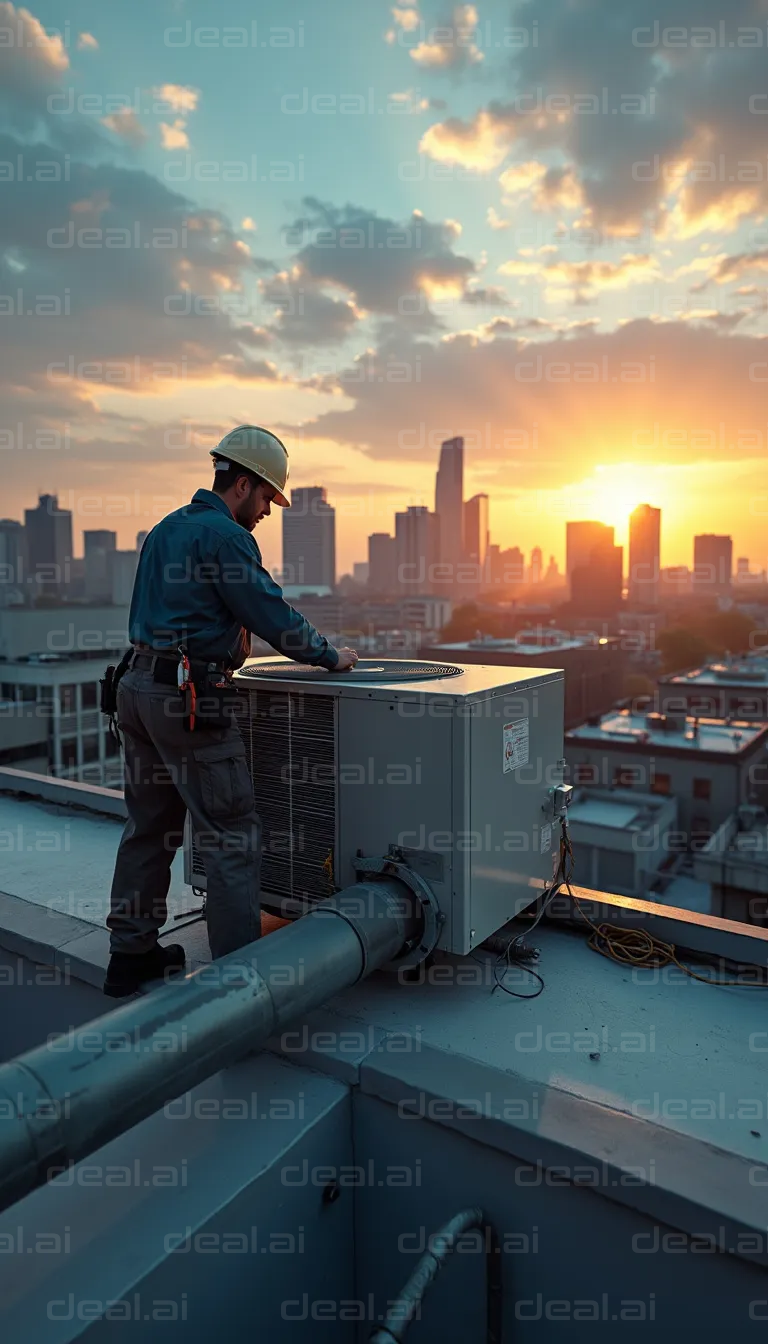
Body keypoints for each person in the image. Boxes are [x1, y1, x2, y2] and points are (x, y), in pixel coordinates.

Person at [103, 425, 358, 997]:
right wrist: (329, 656)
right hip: (188, 700)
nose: (269, 509)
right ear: (242, 484)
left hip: (138, 689)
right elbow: (268, 612)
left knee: (150, 827)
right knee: (231, 836)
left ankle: (130, 955)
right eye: (267, 496)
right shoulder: (226, 537)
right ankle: (238, 989)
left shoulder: (168, 527)